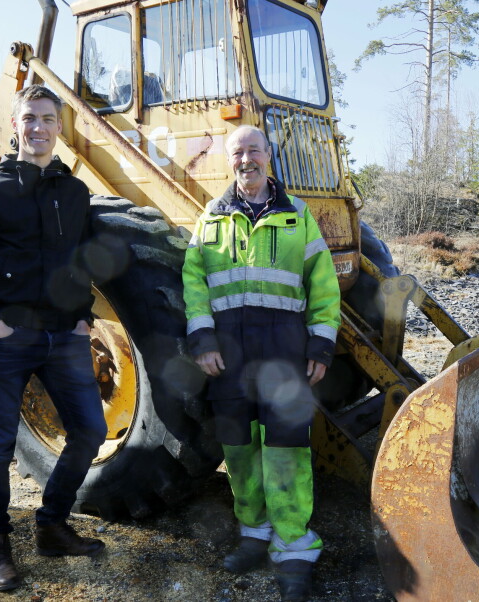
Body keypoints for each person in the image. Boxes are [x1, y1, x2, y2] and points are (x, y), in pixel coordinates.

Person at [0, 84, 108, 592]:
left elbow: (82, 261)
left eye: (48, 119)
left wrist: (82, 318)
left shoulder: (75, 192)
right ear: (15, 126)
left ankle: (52, 525)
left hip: (64, 337)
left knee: (91, 431)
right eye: (30, 118)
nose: (39, 127)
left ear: (59, 127)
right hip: (9, 340)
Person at [182, 125, 341, 602]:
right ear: (228, 160)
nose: (246, 159)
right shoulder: (211, 218)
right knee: (238, 447)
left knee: (286, 448)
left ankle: (294, 546)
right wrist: (203, 340)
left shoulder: (297, 215)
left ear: (269, 155)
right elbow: (194, 283)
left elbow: (323, 284)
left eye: (254, 149)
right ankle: (254, 531)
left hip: (284, 354)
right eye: (238, 152)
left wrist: (320, 346)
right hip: (229, 357)